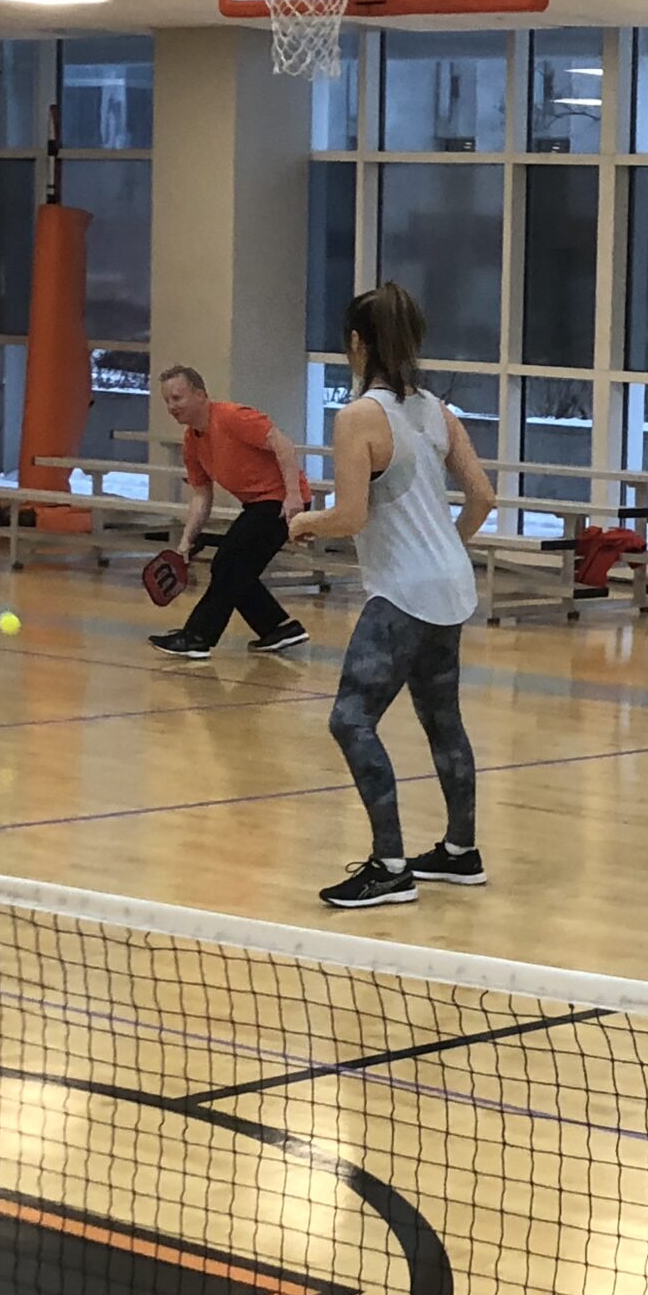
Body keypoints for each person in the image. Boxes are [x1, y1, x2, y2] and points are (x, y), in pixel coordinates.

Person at [289, 283, 496, 909]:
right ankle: (461, 852)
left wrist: (302, 524)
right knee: (443, 721)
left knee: (349, 719)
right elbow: (484, 498)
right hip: (451, 588)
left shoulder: (357, 418)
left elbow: (350, 516)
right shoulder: (438, 410)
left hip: (403, 595)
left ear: (357, 342)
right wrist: (447, 552)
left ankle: (390, 867)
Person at [148, 367, 311, 658]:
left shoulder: (233, 417)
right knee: (235, 570)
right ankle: (278, 628)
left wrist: (294, 498)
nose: (172, 406)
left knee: (228, 562)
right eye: (167, 401)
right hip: (257, 504)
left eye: (178, 397)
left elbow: (283, 445)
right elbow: (201, 495)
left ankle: (197, 636)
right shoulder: (192, 441)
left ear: (200, 395)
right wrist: (185, 541)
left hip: (280, 501)